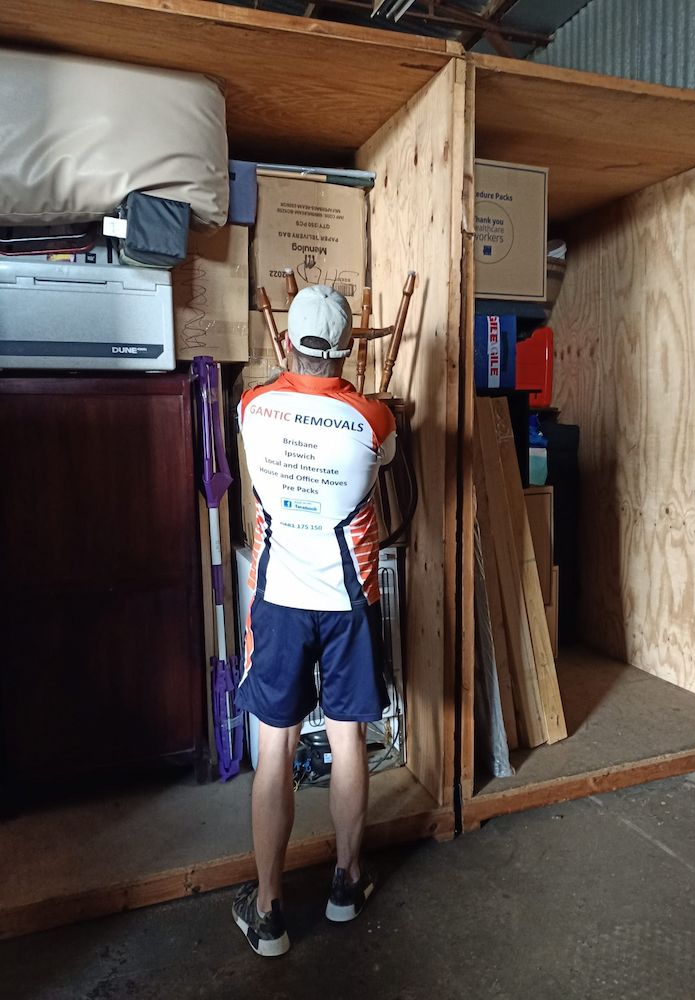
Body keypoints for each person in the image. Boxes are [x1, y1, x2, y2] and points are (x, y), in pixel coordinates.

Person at [233, 284, 396, 957]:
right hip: (349, 598)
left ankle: (269, 912)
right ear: (349, 346)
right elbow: (383, 458)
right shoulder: (374, 421)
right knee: (349, 737)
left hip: (279, 597)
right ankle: (345, 885)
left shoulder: (252, 409)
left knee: (275, 745)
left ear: (286, 342)